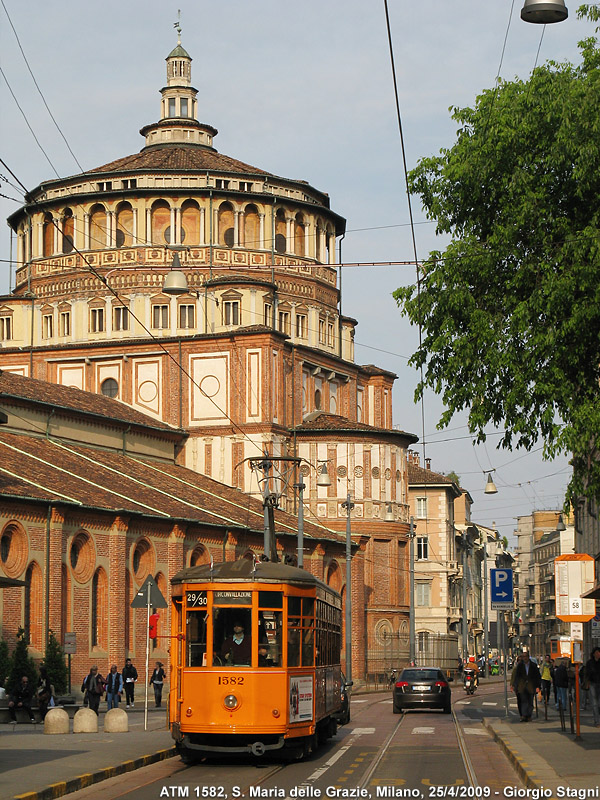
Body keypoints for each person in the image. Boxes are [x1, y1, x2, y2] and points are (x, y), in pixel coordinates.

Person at [511, 650, 541, 722]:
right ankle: (524, 715)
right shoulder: (520, 666)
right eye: (523, 657)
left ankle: (529, 715)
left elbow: (537, 677)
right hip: (522, 686)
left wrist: (538, 686)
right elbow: (517, 676)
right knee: (523, 701)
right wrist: (515, 685)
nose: (524, 658)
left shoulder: (533, 666)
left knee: (530, 702)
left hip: (531, 686)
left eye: (525, 657)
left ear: (528, 657)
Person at [585, 646, 600, 727]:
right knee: (594, 704)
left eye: (599, 653)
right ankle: (597, 721)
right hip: (592, 683)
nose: (598, 654)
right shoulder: (590, 663)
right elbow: (587, 673)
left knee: (599, 704)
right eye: (596, 653)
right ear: (593, 654)